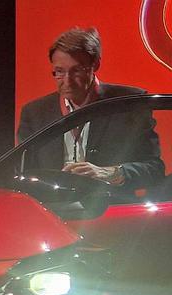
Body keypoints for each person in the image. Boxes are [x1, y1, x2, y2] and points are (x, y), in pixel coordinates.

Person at [17, 27, 163, 189]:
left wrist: (111, 173)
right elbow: (22, 175)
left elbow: (154, 169)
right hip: (52, 203)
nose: (67, 81)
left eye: (76, 71)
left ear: (96, 64)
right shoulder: (34, 113)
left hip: (110, 202)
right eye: (59, 72)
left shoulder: (130, 103)